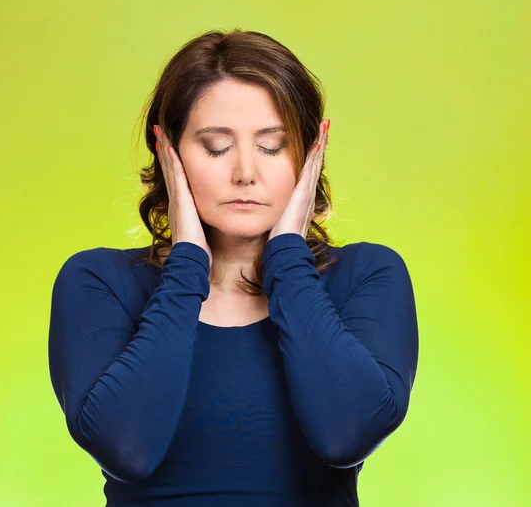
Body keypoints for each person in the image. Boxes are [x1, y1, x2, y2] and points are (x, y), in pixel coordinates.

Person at [48, 28, 419, 506]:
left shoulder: (366, 276)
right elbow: (127, 450)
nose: (245, 171)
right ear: (169, 151)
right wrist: (187, 265)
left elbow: (346, 436)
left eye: (272, 145)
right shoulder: (98, 282)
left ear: (311, 152)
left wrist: (286, 253)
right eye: (217, 147)